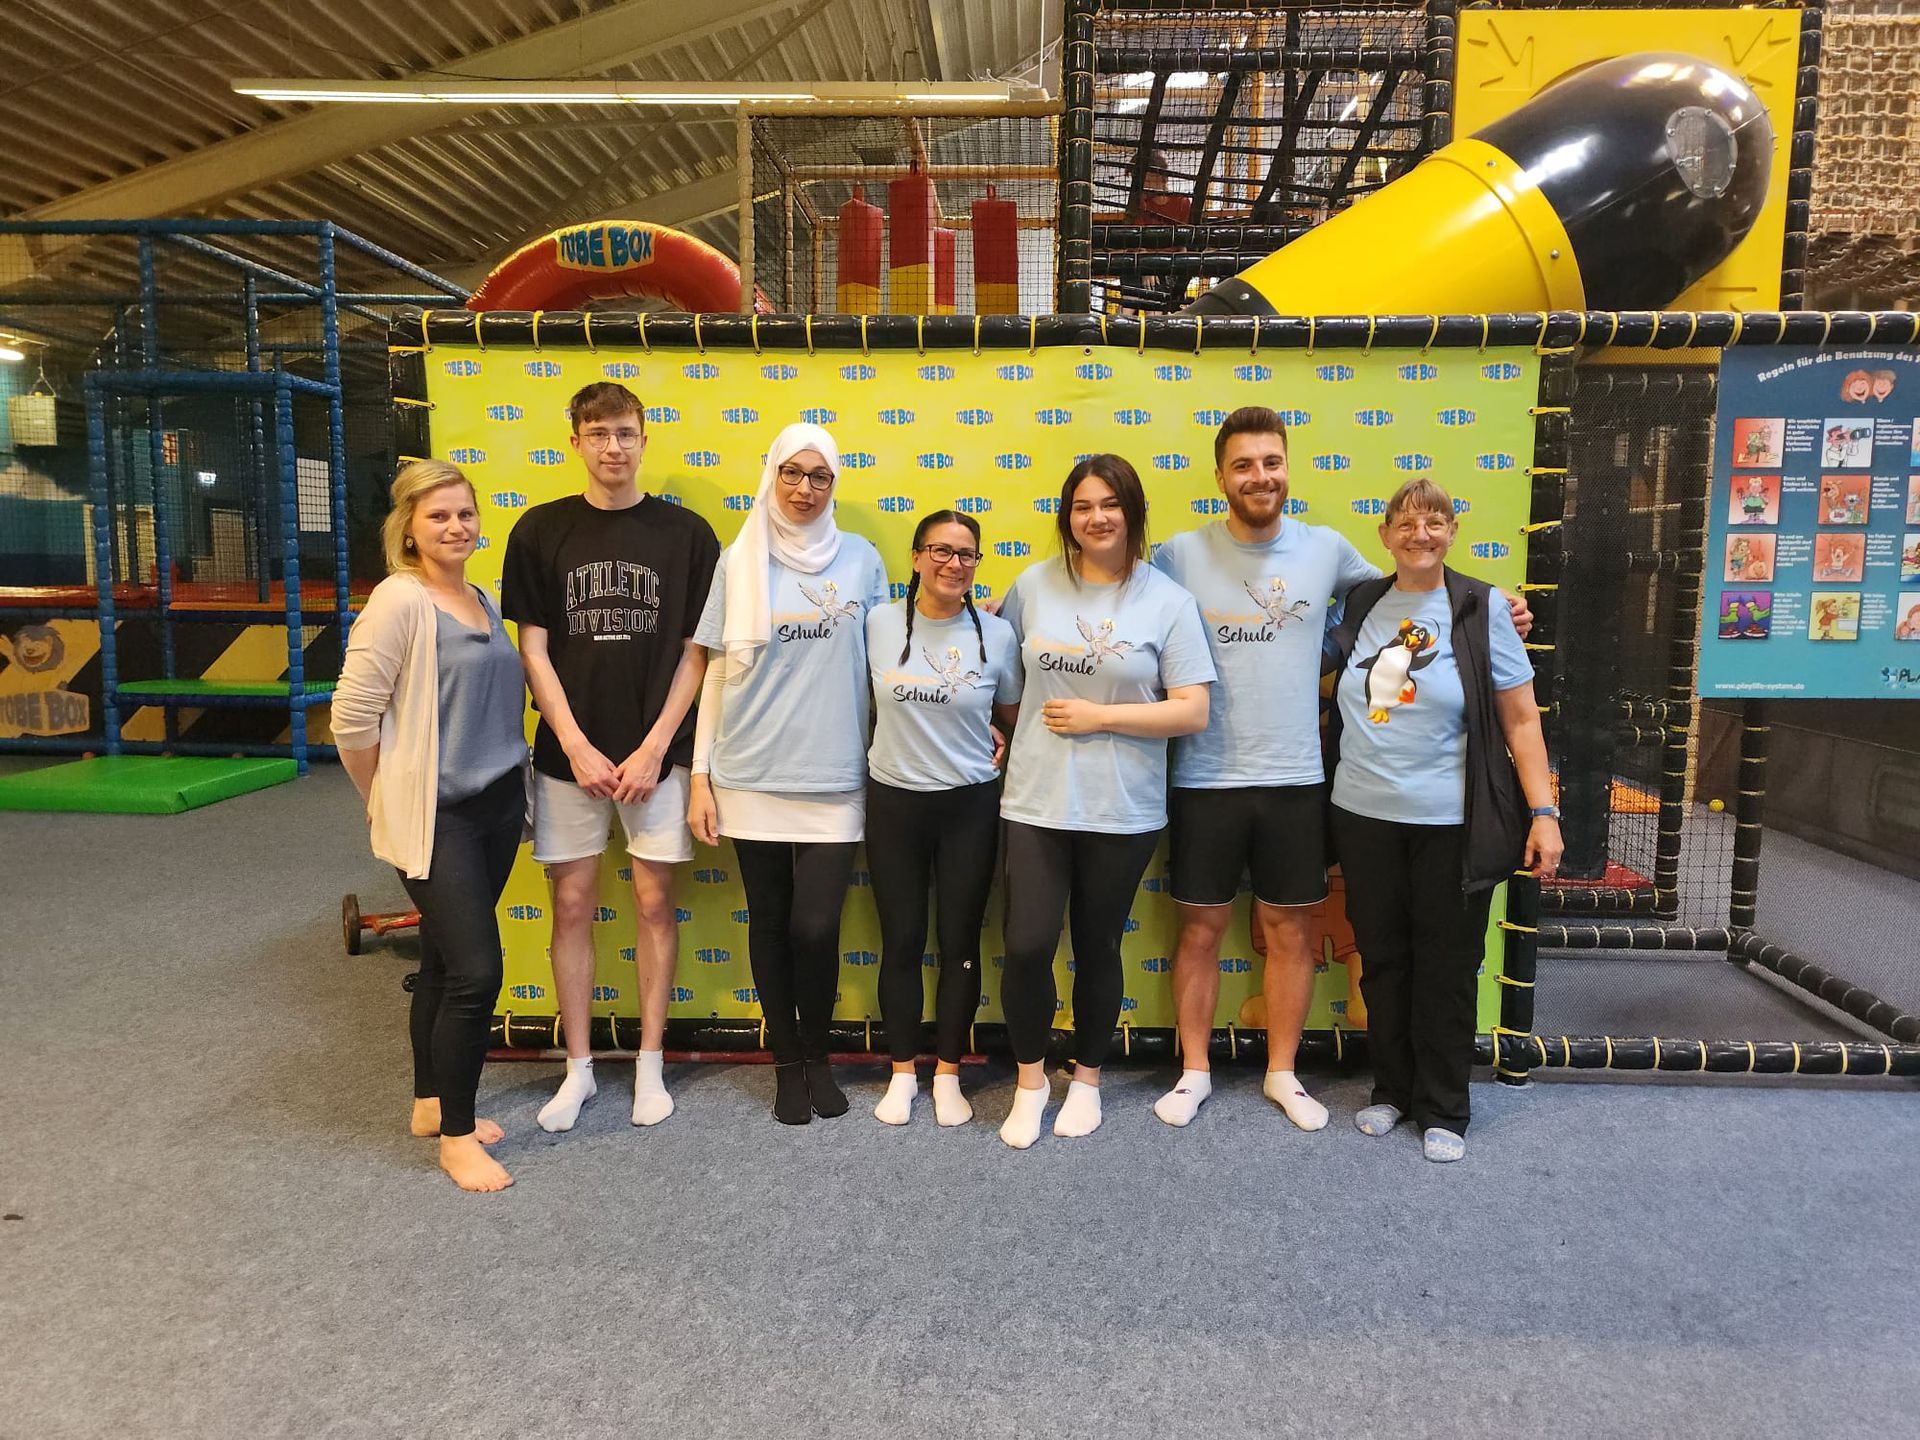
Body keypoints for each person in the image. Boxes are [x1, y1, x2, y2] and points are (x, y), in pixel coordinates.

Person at [1148, 407, 1531, 1131]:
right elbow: (1116, 593)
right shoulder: (1179, 554)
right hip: (1202, 776)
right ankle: (1194, 1072)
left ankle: (1283, 1074)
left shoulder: (1327, 550)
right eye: (1243, 465)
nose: (1259, 476)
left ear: (1287, 468)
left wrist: (1494, 605)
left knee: (1291, 933)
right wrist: (1011, 610)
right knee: (1198, 932)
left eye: (1271, 462)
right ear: (1221, 476)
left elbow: (1412, 584)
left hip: (1299, 779)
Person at [501, 381, 720, 1134]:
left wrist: (656, 746)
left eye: (625, 432)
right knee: (570, 905)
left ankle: (650, 1063)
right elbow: (533, 649)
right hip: (570, 756)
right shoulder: (539, 530)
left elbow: (697, 652)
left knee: (655, 902)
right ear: (575, 442)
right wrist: (575, 744)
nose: (613, 447)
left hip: (659, 755)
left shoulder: (687, 536)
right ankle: (580, 1068)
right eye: (598, 434)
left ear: (644, 439)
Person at [1323, 477, 1561, 1164]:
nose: (1419, 534)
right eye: (1405, 522)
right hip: (1363, 815)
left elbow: (1522, 720)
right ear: (1385, 535)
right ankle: (1392, 1090)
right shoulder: (1362, 601)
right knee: (1382, 960)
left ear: (1453, 532)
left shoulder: (1482, 608)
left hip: (1450, 822)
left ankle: (1445, 1106)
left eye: (1434, 522)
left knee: (1448, 966)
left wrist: (1543, 812)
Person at [996, 454, 1215, 1147]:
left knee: (1097, 946)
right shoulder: (1032, 586)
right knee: (1027, 946)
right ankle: (1031, 1082)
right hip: (1035, 800)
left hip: (1122, 807)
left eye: (1110, 504)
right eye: (1082, 506)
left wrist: (1101, 717)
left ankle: (1087, 1079)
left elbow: (1192, 710)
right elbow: (1001, 681)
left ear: (1133, 512)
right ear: (1067, 516)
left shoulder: (1167, 600)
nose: (1096, 518)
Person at [332, 460, 528, 1193]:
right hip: (437, 816)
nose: (455, 526)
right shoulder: (398, 601)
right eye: (438, 515)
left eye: (465, 514)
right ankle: (457, 1137)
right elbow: (351, 720)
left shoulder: (482, 598)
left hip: (497, 806)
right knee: (478, 972)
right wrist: (382, 794)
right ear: (408, 529)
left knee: (446, 963)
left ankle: (429, 1102)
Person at [688, 422, 890, 1125]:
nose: (806, 488)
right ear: (772, 474)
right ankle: (787, 1065)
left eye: (820, 476)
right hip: (750, 771)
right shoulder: (739, 559)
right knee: (771, 921)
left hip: (836, 773)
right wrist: (699, 777)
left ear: (835, 483)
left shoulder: (863, 560)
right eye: (792, 473)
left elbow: (891, 659)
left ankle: (819, 1056)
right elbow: (717, 672)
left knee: (815, 927)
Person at [865, 511, 1022, 1127]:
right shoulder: (877, 624)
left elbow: (1012, 715)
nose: (954, 564)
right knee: (901, 942)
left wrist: (999, 733)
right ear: (915, 558)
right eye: (940, 551)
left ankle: (949, 1072)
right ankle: (903, 1072)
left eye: (966, 554)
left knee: (959, 944)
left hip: (969, 806)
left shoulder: (998, 635)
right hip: (894, 802)